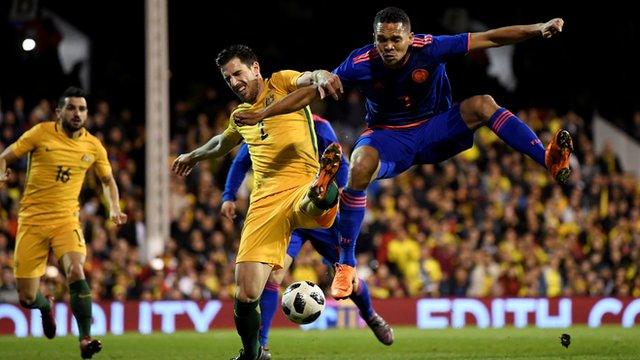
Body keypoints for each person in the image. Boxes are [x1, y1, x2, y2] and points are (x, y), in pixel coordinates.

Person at [233, 7, 573, 300]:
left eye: (396, 39)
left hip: (436, 127)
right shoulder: (359, 63)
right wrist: (264, 114)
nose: (389, 47)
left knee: (483, 104)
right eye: (383, 40)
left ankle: (546, 157)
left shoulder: (431, 47)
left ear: (410, 37)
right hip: (389, 138)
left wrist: (537, 28)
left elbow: (490, 38)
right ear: (375, 39)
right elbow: (312, 92)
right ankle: (346, 264)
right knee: (360, 165)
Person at [171, 45, 343, 360]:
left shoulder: (281, 82)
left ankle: (323, 189)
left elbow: (310, 77)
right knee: (246, 292)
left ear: (255, 68)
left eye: (238, 73)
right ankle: (253, 353)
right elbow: (222, 142)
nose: (234, 82)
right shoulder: (240, 116)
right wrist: (193, 156)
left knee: (311, 203)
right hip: (264, 203)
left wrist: (322, 75)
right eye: (227, 79)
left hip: (300, 184)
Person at [221, 114, 394, 357]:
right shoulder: (262, 127)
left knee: (346, 275)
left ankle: (370, 316)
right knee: (273, 275)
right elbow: (241, 162)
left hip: (317, 214)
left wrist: (341, 191)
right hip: (285, 216)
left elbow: (341, 162)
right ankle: (263, 345)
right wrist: (228, 195)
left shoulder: (319, 126)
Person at [0, 87, 128, 359]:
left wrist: (114, 207)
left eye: (82, 109)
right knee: (25, 298)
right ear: (59, 112)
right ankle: (45, 306)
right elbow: (5, 156)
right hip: (32, 222)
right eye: (71, 108)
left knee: (76, 270)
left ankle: (85, 338)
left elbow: (108, 180)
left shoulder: (93, 145)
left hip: (66, 220)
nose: (77, 113)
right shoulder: (40, 133)